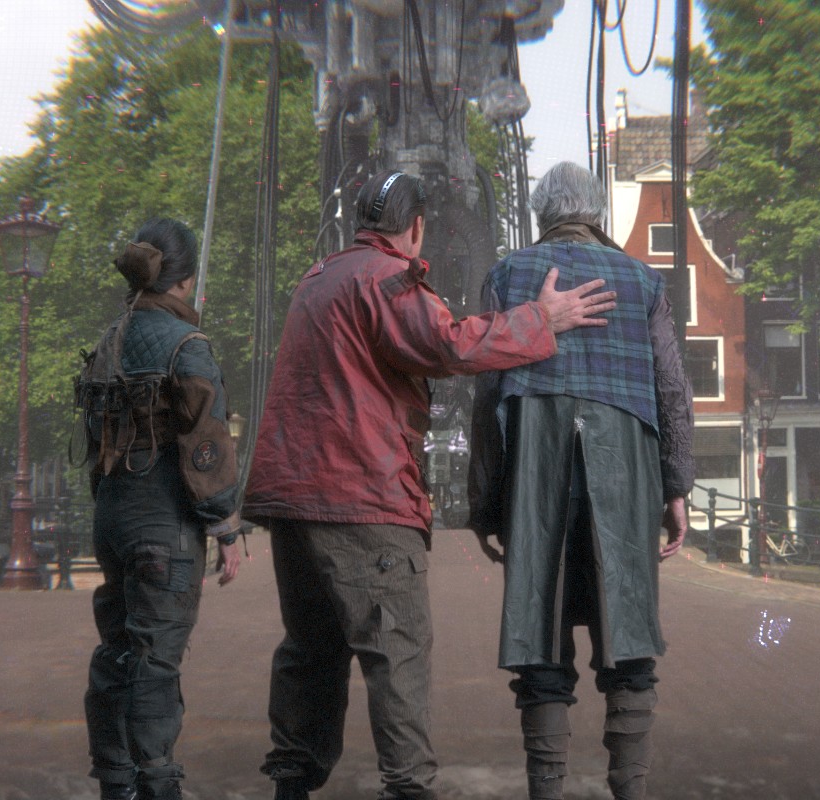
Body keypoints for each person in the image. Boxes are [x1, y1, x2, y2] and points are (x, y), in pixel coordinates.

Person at [243, 170, 618, 800]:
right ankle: (409, 788)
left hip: (294, 501)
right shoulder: (388, 279)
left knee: (310, 651)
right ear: (416, 228)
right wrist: (542, 318)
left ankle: (292, 783)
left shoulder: (318, 277)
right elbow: (448, 346)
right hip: (363, 498)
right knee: (398, 653)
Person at [466, 162, 694, 800]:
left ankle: (547, 789)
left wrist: (486, 504)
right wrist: (675, 486)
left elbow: (486, 398)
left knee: (540, 632)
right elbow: (672, 389)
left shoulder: (508, 275)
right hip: (626, 472)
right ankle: (630, 788)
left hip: (534, 472)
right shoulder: (642, 280)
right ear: (597, 213)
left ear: (541, 213)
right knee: (629, 634)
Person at [75, 218, 245, 800]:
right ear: (186, 280)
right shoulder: (187, 346)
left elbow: (94, 437)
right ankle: (156, 784)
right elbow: (206, 444)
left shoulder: (108, 340)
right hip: (162, 523)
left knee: (117, 650)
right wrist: (226, 528)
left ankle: (115, 781)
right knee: (155, 661)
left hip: (111, 516)